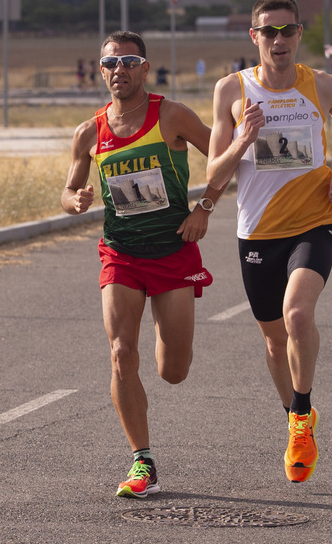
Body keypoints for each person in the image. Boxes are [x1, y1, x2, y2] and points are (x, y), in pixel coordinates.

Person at [207, 0, 332, 484]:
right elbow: (213, 174)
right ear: (254, 37)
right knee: (275, 343)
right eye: (268, 32)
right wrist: (241, 137)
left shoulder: (322, 85)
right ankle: (296, 419)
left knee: (299, 313)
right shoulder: (230, 91)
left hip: (315, 222)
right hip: (257, 231)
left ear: (300, 33)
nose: (279, 40)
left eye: (288, 31)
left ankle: (302, 416)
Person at [61, 30, 226, 498]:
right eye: (111, 63)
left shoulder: (170, 114)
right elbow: (67, 191)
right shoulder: (89, 132)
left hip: (173, 249)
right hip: (122, 252)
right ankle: (143, 461)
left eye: (130, 61)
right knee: (120, 352)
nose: (120, 70)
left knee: (174, 369)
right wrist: (75, 200)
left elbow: (224, 158)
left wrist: (205, 207)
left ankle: (164, 327)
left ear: (145, 68)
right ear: (101, 70)